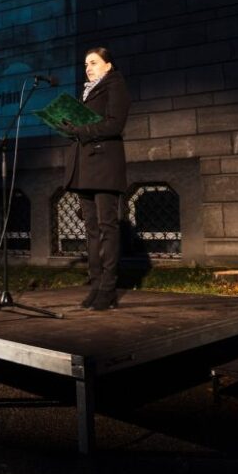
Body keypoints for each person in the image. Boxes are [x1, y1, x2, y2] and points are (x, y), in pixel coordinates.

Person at [61, 47, 130, 311]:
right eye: (85, 64)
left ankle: (108, 289)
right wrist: (68, 128)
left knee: (106, 226)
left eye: (93, 62)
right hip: (85, 166)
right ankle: (96, 283)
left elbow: (114, 124)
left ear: (108, 65)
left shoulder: (115, 85)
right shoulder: (87, 91)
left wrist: (82, 130)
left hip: (105, 165)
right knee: (90, 228)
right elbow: (87, 128)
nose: (88, 67)